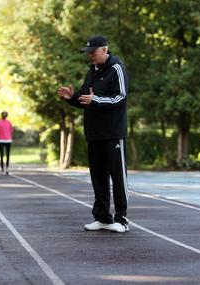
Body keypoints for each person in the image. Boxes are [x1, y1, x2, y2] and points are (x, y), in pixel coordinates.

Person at [58, 35, 129, 233]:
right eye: (88, 52)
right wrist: (72, 97)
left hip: (113, 134)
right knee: (98, 177)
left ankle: (121, 220)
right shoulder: (91, 72)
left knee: (118, 177)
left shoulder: (117, 69)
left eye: (93, 51)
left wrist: (96, 99)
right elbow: (85, 98)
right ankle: (102, 217)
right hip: (94, 134)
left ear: (104, 50)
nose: (90, 55)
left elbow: (120, 98)